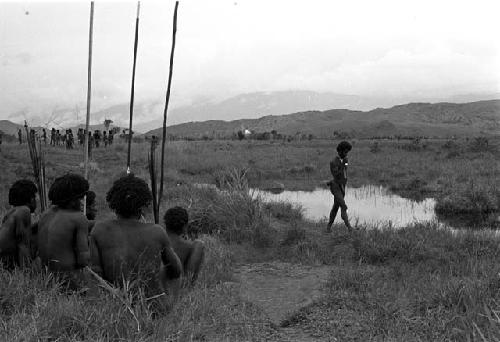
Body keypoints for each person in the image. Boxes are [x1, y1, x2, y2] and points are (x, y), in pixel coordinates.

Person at [90, 174, 182, 297]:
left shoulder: (99, 230)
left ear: (113, 202)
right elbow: (176, 271)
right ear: (143, 205)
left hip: (115, 302)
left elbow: (95, 274)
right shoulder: (157, 231)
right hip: (151, 305)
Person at [37, 174, 90, 289]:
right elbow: (83, 260)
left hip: (45, 276)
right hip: (68, 279)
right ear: (72, 200)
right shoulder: (79, 218)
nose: (82, 203)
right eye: (81, 198)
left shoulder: (45, 214)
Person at [0, 180, 38, 269]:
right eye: (35, 197)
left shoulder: (11, 212)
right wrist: (27, 270)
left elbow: (13, 236)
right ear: (31, 199)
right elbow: (23, 244)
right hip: (5, 261)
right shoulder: (24, 211)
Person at [163, 207, 204, 285]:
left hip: (159, 283)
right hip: (177, 285)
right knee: (199, 244)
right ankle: (189, 284)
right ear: (185, 226)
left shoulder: (160, 240)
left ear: (166, 224)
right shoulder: (188, 245)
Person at [326, 141, 353, 232]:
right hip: (336, 187)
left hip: (342, 187)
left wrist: (345, 163)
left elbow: (345, 169)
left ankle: (328, 227)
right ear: (340, 151)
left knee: (336, 207)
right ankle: (349, 228)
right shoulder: (333, 162)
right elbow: (336, 175)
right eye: (345, 152)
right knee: (343, 206)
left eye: (347, 152)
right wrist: (343, 164)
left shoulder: (345, 160)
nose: (346, 154)